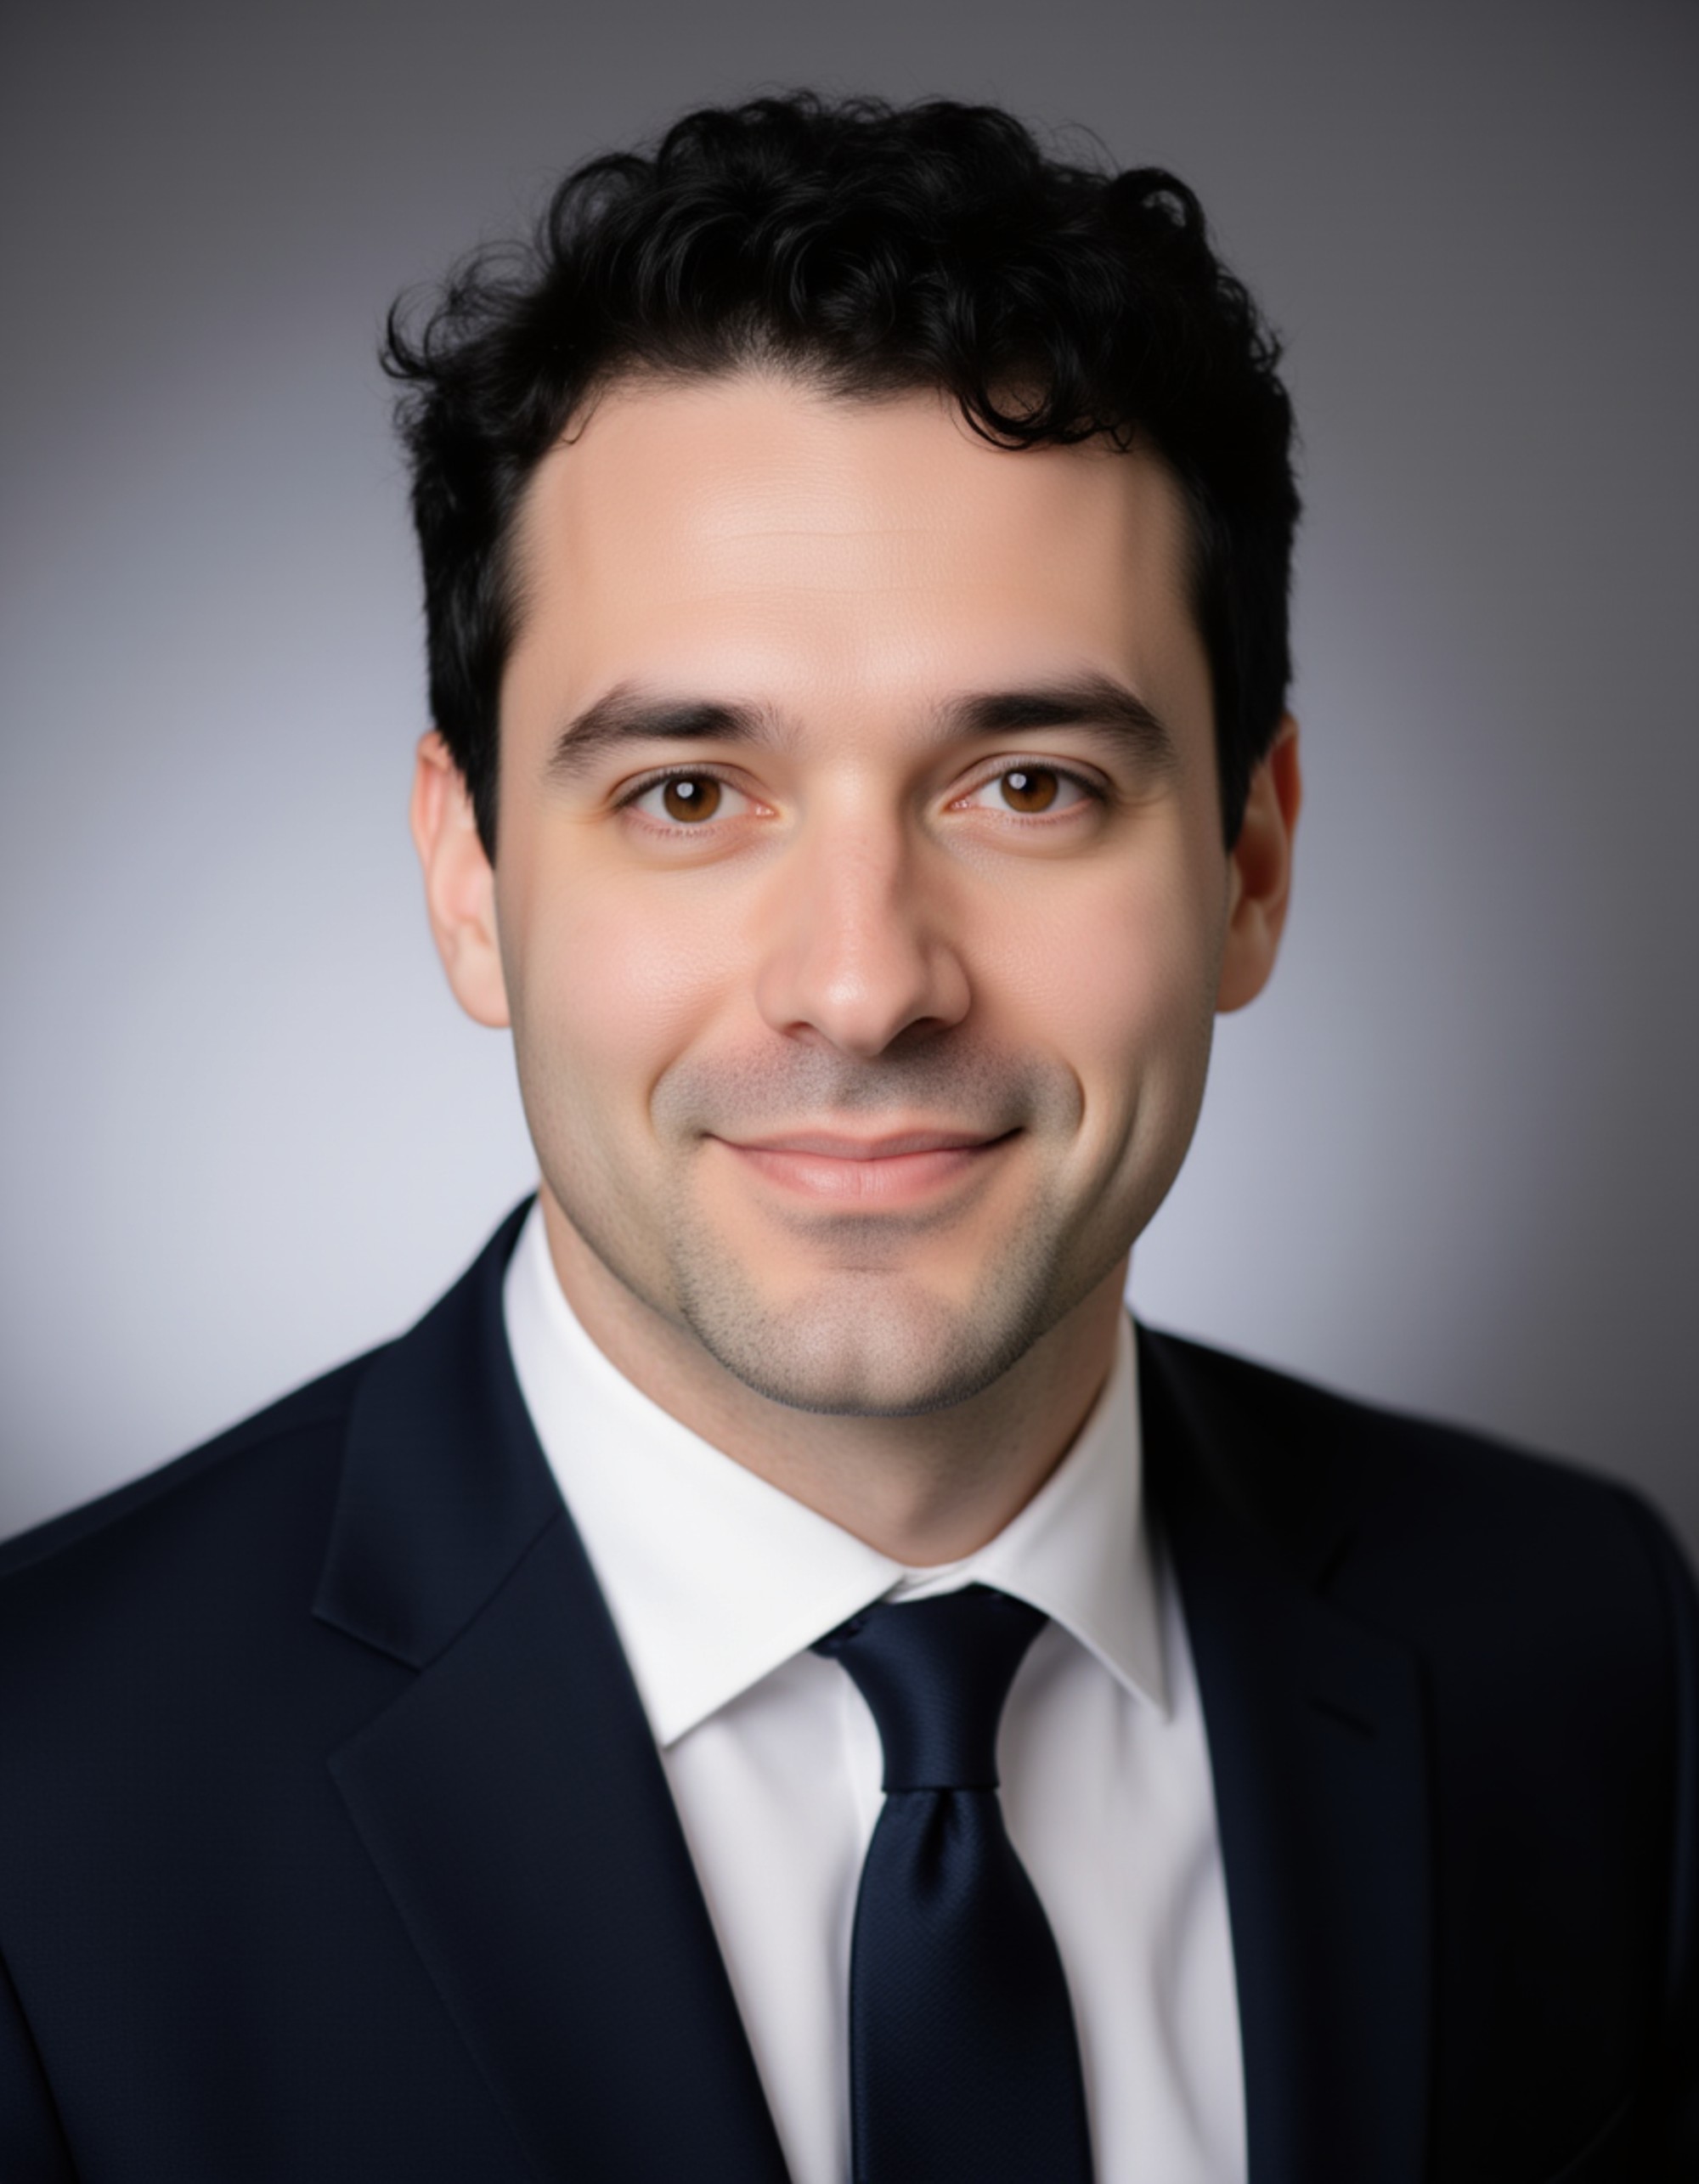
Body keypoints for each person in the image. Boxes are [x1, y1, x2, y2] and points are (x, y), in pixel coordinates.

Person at [0, 91, 1692, 2184]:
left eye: (1030, 783)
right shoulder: (33, 1793)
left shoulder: (1585, 1641)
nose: (867, 982)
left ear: (1250, 865)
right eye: (690, 794)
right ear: (469, 877)